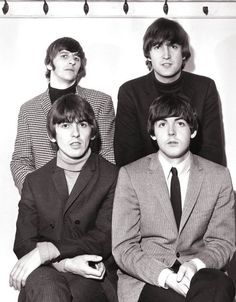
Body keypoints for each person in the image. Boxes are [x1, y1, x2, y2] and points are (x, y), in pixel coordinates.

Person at [112, 94, 235, 302]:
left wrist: (196, 265)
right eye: (162, 124)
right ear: (153, 133)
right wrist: (166, 277)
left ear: (193, 130)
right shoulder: (131, 175)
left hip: (199, 273)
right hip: (150, 277)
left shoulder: (219, 176)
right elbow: (124, 247)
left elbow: (223, 242)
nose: (171, 132)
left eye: (180, 123)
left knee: (219, 287)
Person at [9, 94, 119, 302]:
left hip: (92, 271)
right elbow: (24, 242)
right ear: (52, 135)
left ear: (93, 133)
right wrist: (63, 263)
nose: (75, 134)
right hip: (46, 271)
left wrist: (49, 249)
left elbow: (104, 238)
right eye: (65, 126)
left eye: (83, 125)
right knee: (47, 290)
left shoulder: (112, 175)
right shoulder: (35, 181)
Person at [114, 17, 225, 167]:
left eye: (173, 46)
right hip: (146, 181)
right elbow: (127, 157)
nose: (166, 55)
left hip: (196, 180)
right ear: (148, 54)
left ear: (183, 53)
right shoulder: (130, 92)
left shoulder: (205, 88)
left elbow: (213, 152)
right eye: (158, 47)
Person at [11, 37, 115, 193]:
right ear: (49, 63)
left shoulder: (100, 101)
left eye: (76, 57)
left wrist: (92, 194)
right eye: (64, 56)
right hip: (44, 200)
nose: (72, 61)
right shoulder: (28, 109)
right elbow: (21, 160)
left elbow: (107, 154)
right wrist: (39, 194)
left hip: (89, 197)